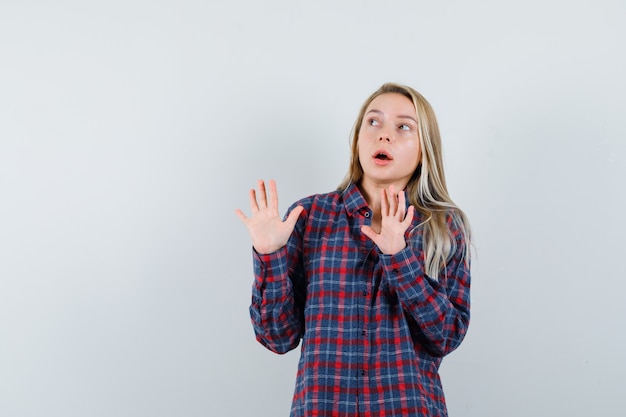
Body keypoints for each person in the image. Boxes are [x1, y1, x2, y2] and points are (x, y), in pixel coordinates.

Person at [235, 83, 472, 417]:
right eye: (373, 122)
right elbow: (277, 337)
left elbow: (445, 336)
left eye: (403, 127)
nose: (384, 135)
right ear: (358, 140)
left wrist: (399, 257)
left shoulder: (442, 228)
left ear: (424, 150)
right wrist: (270, 255)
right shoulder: (309, 217)